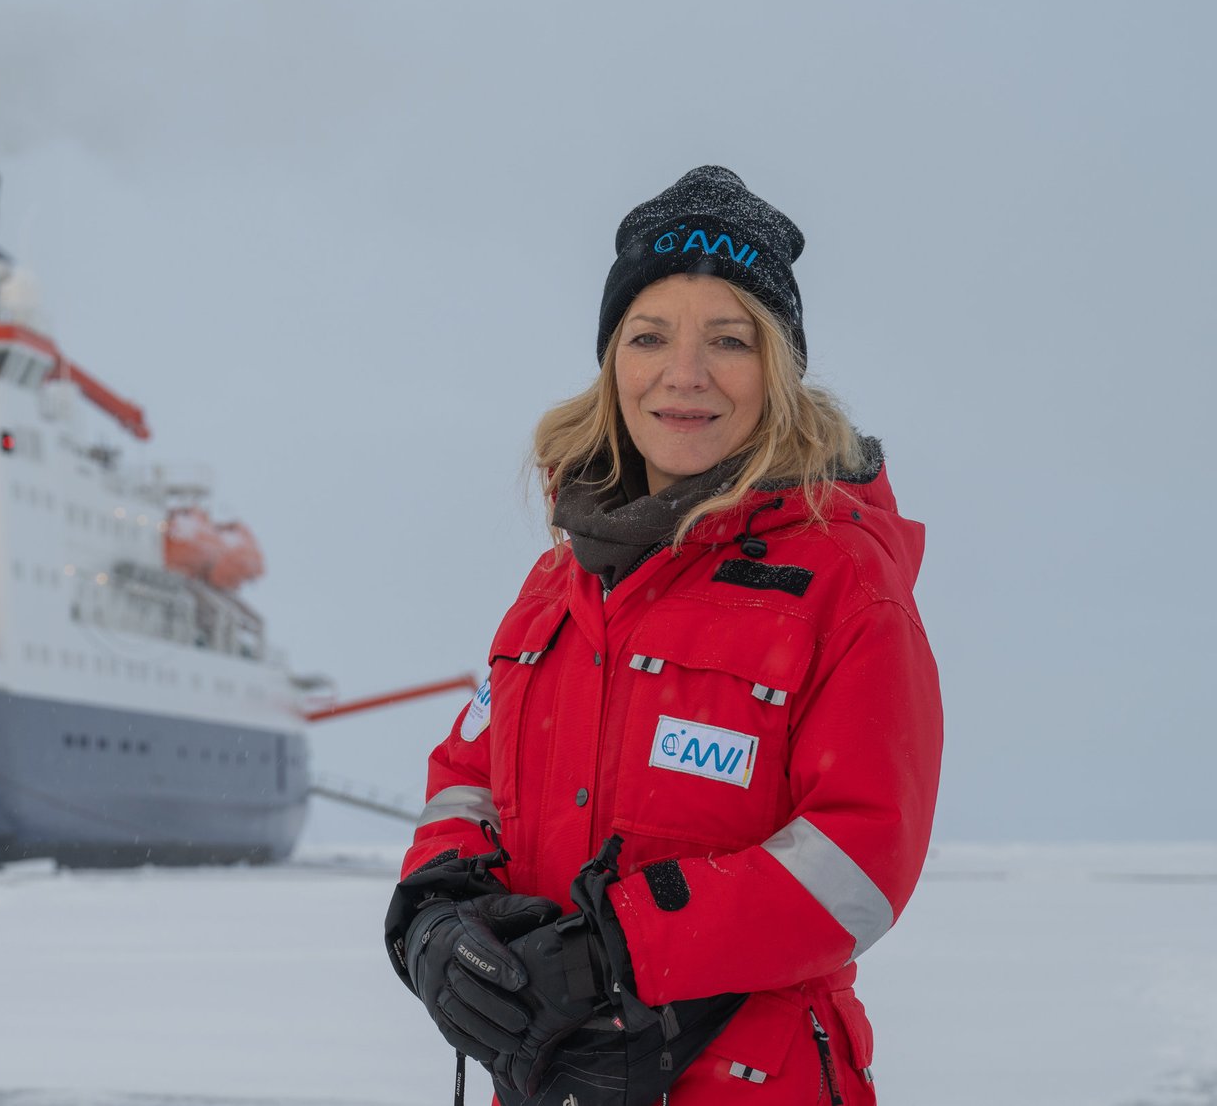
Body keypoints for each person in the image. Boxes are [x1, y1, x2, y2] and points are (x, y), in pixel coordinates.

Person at [385, 166, 941, 1105]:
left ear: (776, 369)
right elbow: (468, 779)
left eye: (729, 339)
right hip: (553, 1077)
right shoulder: (559, 581)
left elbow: (861, 859)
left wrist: (618, 952)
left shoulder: (845, 579)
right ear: (614, 366)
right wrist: (436, 911)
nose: (684, 374)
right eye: (649, 337)